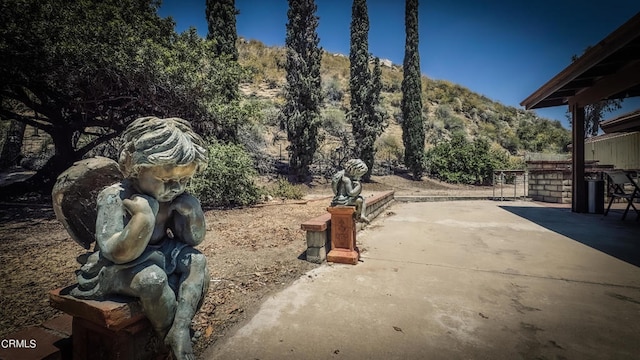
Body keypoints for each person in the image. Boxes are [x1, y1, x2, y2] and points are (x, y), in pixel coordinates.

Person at [71, 116, 209, 360]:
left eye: (184, 180)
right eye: (166, 180)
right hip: (118, 267)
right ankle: (169, 337)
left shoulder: (173, 199)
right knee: (152, 280)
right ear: (136, 168)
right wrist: (143, 218)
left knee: (197, 262)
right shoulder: (115, 197)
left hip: (159, 253)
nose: (176, 188)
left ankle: (179, 329)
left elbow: (192, 240)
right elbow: (116, 252)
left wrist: (193, 213)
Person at [331, 158, 369, 223]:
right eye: (358, 174)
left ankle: (361, 215)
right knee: (360, 200)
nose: (358, 177)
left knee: (362, 199)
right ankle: (358, 216)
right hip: (342, 201)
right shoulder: (346, 179)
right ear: (353, 170)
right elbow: (351, 193)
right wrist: (358, 186)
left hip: (342, 199)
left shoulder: (346, 177)